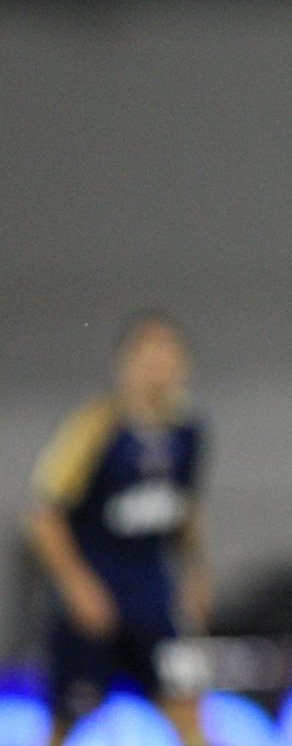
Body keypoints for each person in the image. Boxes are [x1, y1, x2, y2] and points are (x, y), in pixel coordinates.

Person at [26, 311, 212, 745]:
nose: (159, 369)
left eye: (169, 358)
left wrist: (196, 575)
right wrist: (77, 586)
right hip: (96, 600)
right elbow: (42, 515)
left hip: (155, 601)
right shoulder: (94, 428)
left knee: (188, 705)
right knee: (67, 718)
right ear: (124, 364)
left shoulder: (188, 430)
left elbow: (185, 510)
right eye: (149, 357)